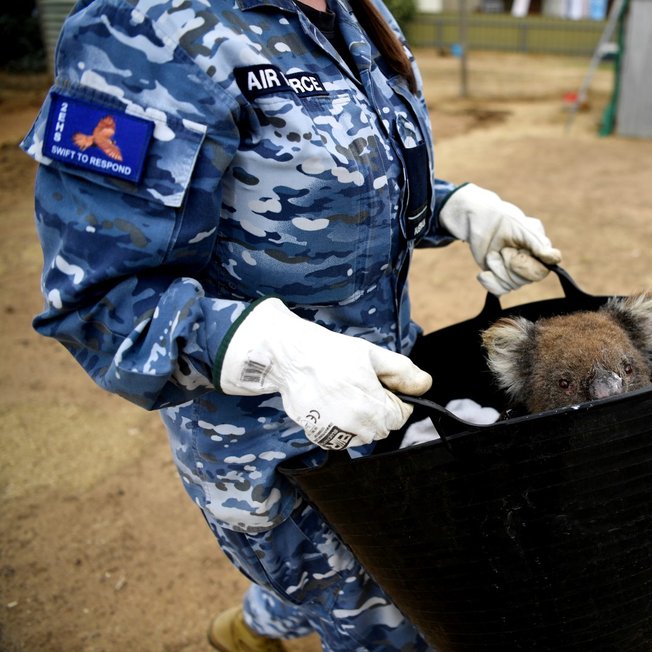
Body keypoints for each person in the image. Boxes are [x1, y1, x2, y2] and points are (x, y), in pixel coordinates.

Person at [20, 0, 561, 650]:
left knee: (348, 584)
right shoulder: (144, 27)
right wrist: (276, 351)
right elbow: (100, 302)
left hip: (383, 411)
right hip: (279, 455)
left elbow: (329, 185)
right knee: (413, 620)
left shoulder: (353, 14)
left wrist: (452, 207)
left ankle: (257, 627)